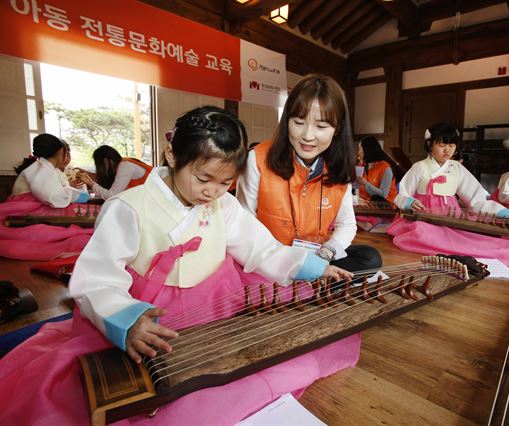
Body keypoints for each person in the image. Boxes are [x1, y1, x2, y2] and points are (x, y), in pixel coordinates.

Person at [0, 106, 360, 425]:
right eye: (203, 179)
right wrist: (127, 320)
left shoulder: (225, 204)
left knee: (251, 367)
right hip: (152, 315)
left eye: (225, 183)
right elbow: (96, 279)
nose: (212, 193)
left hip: (214, 306)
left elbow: (261, 248)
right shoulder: (128, 207)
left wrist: (313, 267)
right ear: (172, 154)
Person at [237, 74, 382, 272]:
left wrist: (325, 255)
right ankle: (311, 280)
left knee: (369, 258)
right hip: (270, 256)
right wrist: (291, 261)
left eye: (321, 126)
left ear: (337, 129)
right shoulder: (258, 159)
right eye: (298, 122)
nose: (308, 136)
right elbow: (244, 224)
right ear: (286, 120)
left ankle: (313, 277)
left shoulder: (337, 168)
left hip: (316, 253)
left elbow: (347, 224)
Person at [388, 123, 509, 267]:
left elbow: (477, 201)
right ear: (430, 144)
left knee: (474, 240)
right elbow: (402, 193)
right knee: (421, 233)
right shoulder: (419, 167)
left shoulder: (458, 169)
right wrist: (409, 202)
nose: (448, 150)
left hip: (450, 217)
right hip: (423, 216)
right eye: (442, 145)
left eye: (452, 145)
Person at [11, 133, 90, 207]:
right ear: (60, 151)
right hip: (26, 208)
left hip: (34, 206)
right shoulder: (41, 170)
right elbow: (54, 197)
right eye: (66, 153)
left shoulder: (46, 167)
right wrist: (81, 196)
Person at [77, 145, 152, 200]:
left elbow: (112, 196)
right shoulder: (124, 163)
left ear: (106, 161)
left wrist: (91, 183)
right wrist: (88, 174)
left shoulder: (125, 166)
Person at [356, 136, 398, 205]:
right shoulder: (361, 166)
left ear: (367, 150)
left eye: (360, 149)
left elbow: (383, 195)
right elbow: (355, 190)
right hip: (364, 204)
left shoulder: (385, 168)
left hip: (384, 208)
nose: (358, 153)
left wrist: (365, 183)